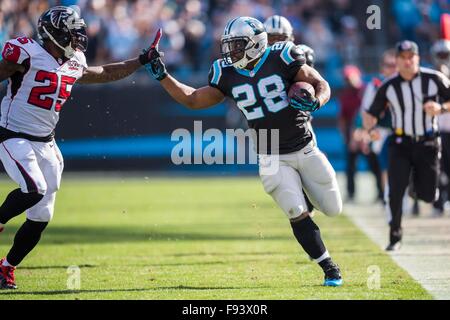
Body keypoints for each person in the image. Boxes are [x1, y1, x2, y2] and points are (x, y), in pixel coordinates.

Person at [145, 16, 344, 286]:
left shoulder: (283, 56)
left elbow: (321, 84)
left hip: (304, 147)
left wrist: (316, 102)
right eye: (230, 45)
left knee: (333, 208)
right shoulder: (225, 72)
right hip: (270, 155)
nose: (232, 52)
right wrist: (162, 76)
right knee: (295, 210)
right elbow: (192, 99)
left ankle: (307, 193)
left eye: (238, 45)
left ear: (256, 42)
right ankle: (329, 268)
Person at [0, 6, 157, 289]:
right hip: (13, 135)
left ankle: (6, 268)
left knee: (42, 215)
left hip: (46, 142)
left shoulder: (74, 61)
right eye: (72, 31)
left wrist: (141, 60)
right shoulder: (25, 51)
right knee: (33, 188)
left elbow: (104, 72)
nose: (78, 37)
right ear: (54, 33)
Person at [363, 40, 450, 251]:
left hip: (428, 141)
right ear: (398, 61)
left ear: (418, 58)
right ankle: (395, 235)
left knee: (428, 195)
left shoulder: (434, 78)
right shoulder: (388, 85)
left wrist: (440, 108)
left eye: (412, 57)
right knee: (395, 190)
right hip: (400, 142)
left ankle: (415, 186)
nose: (408, 61)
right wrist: (370, 130)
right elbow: (370, 113)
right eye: (403, 58)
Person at [263, 14, 316, 212]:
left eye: (280, 38)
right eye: (272, 38)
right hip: (268, 127)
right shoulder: (256, 61)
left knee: (308, 165)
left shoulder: (300, 55)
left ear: (290, 38)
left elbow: (311, 84)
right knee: (275, 175)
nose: (276, 42)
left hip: (298, 123)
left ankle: (307, 198)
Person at [338, 65, 383, 202]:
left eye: (350, 77)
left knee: (375, 166)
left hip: (367, 134)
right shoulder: (345, 96)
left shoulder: (367, 91)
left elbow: (370, 114)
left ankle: (381, 193)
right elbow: (343, 119)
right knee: (350, 168)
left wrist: (367, 133)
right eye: (346, 78)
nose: (349, 81)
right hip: (352, 137)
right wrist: (346, 138)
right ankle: (351, 193)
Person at [430, 39, 450, 216]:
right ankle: (439, 201)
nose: (444, 59)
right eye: (441, 55)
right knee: (438, 167)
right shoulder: (431, 77)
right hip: (437, 128)